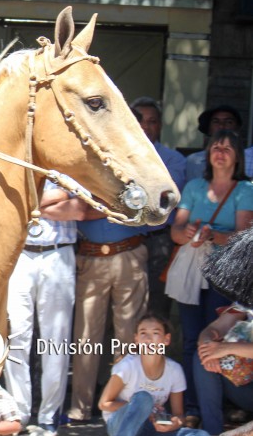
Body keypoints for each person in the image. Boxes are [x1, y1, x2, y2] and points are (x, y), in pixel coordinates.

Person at [169, 129, 253, 427]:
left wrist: (212, 234)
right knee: (194, 339)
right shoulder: (192, 186)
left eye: (228, 148)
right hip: (192, 269)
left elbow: (244, 236)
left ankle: (219, 412)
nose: (220, 151)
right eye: (216, 146)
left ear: (237, 157)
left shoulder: (246, 189)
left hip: (227, 272)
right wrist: (189, 232)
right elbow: (176, 233)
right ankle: (193, 409)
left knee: (220, 334)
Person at [4, 180, 83, 436]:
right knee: (16, 335)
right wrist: (56, 197)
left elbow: (79, 209)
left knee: (56, 339)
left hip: (58, 253)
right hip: (20, 254)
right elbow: (9, 206)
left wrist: (33, 203)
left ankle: (49, 416)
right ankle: (19, 413)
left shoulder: (67, 167)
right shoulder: (19, 161)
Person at [66, 213, 149, 423]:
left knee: (130, 335)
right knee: (85, 337)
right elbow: (77, 208)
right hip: (90, 256)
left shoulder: (136, 177)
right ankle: (80, 409)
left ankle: (125, 405)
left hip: (129, 252)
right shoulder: (81, 179)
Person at [98, 313, 208, 436]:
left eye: (155, 333)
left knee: (200, 434)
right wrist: (140, 409)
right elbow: (104, 404)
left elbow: (179, 414)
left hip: (152, 427)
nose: (149, 339)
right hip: (121, 426)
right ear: (136, 339)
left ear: (166, 339)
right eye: (143, 333)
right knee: (143, 398)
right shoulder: (127, 366)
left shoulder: (175, 370)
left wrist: (174, 423)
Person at [129, 97, 186, 318]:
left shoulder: (174, 159)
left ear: (160, 125)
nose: (145, 127)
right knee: (124, 309)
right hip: (125, 241)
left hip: (159, 240)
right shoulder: (114, 157)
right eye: (140, 121)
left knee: (157, 306)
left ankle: (156, 352)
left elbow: (164, 197)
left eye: (152, 121)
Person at [193, 303, 253, 435]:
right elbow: (214, 327)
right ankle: (211, 432)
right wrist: (207, 346)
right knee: (203, 358)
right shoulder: (245, 299)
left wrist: (226, 348)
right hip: (242, 383)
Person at [185, 105, 253, 184]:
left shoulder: (249, 158)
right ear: (209, 128)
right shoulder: (193, 161)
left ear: (237, 128)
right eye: (216, 122)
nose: (222, 126)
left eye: (229, 122)